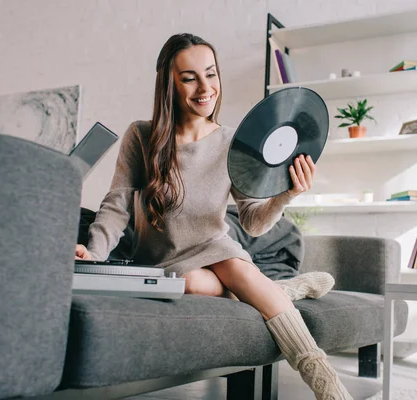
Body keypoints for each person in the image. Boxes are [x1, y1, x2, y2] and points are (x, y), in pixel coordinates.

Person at [75, 33, 352, 400]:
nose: (205, 87)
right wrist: (94, 254)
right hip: (164, 262)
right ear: (169, 84)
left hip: (218, 248)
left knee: (234, 266)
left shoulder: (234, 143)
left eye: (211, 74)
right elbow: (117, 203)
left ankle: (327, 383)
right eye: (189, 77)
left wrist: (287, 194)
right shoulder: (141, 136)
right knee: (186, 281)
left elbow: (252, 222)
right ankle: (282, 290)